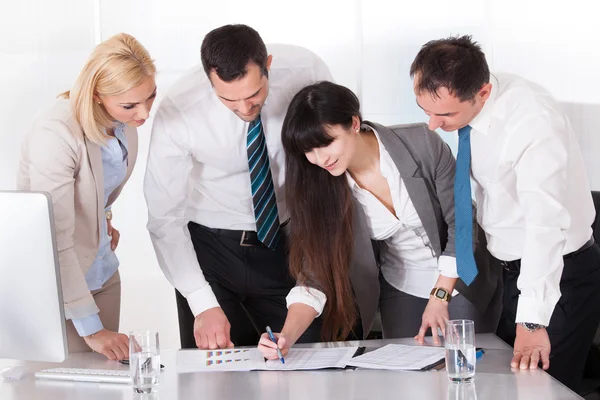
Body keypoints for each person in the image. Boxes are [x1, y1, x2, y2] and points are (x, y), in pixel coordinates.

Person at [410, 35, 600, 392]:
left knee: (542, 390)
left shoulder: (532, 123)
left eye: (445, 114)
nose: (433, 125)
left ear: (482, 93)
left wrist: (531, 323)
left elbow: (545, 226)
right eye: (426, 111)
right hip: (513, 273)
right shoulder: (469, 86)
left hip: (559, 274)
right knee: (504, 388)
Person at [258, 81, 502, 359]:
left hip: (458, 279)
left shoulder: (421, 143)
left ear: (353, 123)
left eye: (326, 143)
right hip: (401, 284)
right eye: (308, 151)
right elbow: (315, 275)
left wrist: (440, 295)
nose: (319, 158)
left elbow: (462, 221)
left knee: (465, 366)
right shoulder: (320, 186)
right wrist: (285, 336)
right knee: (407, 375)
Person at [144, 24, 332, 349]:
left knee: (305, 355)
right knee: (213, 373)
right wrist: (201, 302)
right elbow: (164, 218)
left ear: (268, 65)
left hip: (284, 241)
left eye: (254, 94)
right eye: (229, 99)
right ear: (209, 81)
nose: (245, 108)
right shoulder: (178, 112)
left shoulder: (307, 71)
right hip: (211, 249)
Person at [17, 33, 157, 360]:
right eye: (131, 105)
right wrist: (92, 329)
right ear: (96, 95)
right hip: (56, 286)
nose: (144, 114)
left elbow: (99, 186)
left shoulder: (122, 121)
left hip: (103, 272)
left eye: (151, 97)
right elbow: (53, 237)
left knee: (104, 383)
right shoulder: (56, 134)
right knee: (60, 388)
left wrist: (102, 218)